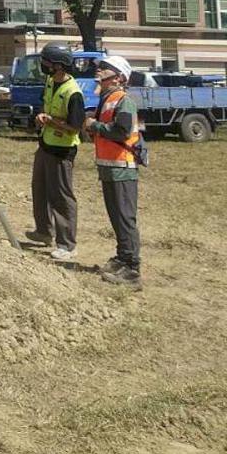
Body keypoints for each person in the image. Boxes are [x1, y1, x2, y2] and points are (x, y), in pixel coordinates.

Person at [84, 55, 142, 287]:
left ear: (119, 77)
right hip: (109, 168)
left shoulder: (123, 101)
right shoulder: (106, 99)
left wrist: (95, 125)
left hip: (122, 169)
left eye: (105, 68)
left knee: (125, 218)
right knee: (116, 218)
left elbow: (122, 132)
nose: (99, 71)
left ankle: (132, 269)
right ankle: (122, 258)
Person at [26, 43, 85, 261]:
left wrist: (51, 121)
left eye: (46, 62)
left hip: (62, 151)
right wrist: (42, 116)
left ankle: (67, 244)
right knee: (39, 189)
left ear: (58, 65)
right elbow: (45, 104)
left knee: (61, 196)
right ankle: (44, 232)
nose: (43, 65)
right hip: (45, 145)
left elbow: (76, 127)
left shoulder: (73, 93)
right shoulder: (50, 82)